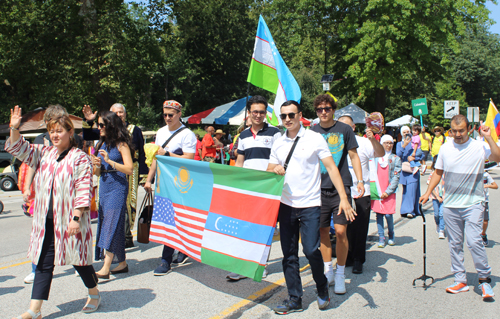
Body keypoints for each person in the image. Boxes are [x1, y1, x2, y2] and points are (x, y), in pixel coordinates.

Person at [6, 106, 100, 318]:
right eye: (52, 131)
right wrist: (14, 128)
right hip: (45, 221)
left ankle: (94, 293)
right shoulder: (43, 153)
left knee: (79, 261)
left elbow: (84, 190)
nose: (55, 135)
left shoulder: (79, 158)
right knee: (42, 263)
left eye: (59, 130)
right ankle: (35, 309)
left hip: (70, 220)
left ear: (69, 132)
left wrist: (76, 218)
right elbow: (18, 149)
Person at [267, 100, 355, 314]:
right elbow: (269, 167)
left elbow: (332, 168)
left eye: (291, 115)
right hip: (286, 204)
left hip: (310, 205)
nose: (287, 119)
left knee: (310, 249)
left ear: (300, 115)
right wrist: (275, 168)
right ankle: (295, 298)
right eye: (284, 116)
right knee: (289, 254)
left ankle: (322, 287)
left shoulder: (314, 138)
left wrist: (344, 197)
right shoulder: (278, 141)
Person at [420, 115, 500, 300]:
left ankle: (484, 280)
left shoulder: (479, 146)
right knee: (454, 243)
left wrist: (488, 137)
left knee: (474, 241)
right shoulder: (446, 148)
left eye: (461, 130)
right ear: (450, 130)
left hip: (473, 203)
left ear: (469, 129)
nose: (457, 134)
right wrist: (428, 192)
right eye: (454, 131)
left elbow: (497, 157)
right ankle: (460, 280)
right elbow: (438, 172)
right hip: (450, 204)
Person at [21, 104, 82, 285]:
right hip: (44, 193)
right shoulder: (40, 139)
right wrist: (27, 187)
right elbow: (32, 163)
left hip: (65, 195)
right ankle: (36, 269)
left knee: (70, 233)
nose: (54, 128)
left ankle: (79, 265)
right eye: (50, 122)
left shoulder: (73, 138)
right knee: (41, 234)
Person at [310, 94, 363, 292]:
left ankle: (340, 274)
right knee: (322, 231)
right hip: (318, 189)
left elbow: (353, 155)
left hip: (341, 188)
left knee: (340, 231)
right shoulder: (312, 132)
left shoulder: (344, 129)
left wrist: (360, 180)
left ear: (333, 110)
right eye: (319, 109)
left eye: (327, 108)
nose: (323, 112)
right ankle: (328, 270)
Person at [225, 95, 282, 281]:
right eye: (255, 111)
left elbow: (280, 160)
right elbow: (240, 162)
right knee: (245, 227)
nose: (258, 115)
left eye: (262, 112)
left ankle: (260, 266)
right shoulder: (243, 135)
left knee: (264, 228)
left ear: (266, 114)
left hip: (268, 187)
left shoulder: (275, 133)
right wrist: (235, 185)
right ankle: (244, 265)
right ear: (249, 113)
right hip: (247, 188)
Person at [82, 103, 148, 249]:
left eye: (121, 112)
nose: (119, 115)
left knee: (129, 203)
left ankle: (126, 234)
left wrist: (145, 176)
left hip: (129, 171)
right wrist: (89, 121)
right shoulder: (103, 132)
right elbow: (88, 135)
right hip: (107, 174)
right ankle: (118, 239)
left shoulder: (133, 129)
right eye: (115, 113)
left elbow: (141, 153)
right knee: (109, 207)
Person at [144, 100, 197, 276]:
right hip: (163, 182)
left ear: (179, 114)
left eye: (171, 115)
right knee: (167, 219)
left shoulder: (187, 134)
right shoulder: (160, 132)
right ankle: (178, 251)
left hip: (180, 184)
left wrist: (168, 154)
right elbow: (155, 158)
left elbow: (190, 158)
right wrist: (149, 180)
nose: (167, 118)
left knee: (176, 218)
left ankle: (166, 260)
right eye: (165, 114)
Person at [338, 115, 384, 273]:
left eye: (347, 127)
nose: (343, 130)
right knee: (344, 227)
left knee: (359, 226)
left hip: (360, 190)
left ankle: (358, 259)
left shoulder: (363, 142)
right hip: (342, 191)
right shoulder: (334, 143)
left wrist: (373, 140)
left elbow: (380, 153)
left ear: (353, 128)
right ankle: (347, 256)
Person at [91, 111, 134, 279]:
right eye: (98, 125)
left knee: (111, 223)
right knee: (109, 223)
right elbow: (97, 173)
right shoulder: (101, 144)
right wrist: (96, 165)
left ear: (111, 126)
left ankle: (105, 267)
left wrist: (110, 162)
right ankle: (121, 262)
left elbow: (129, 169)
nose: (98, 128)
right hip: (105, 185)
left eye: (102, 125)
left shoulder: (121, 144)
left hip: (118, 187)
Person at [369, 135, 401, 247]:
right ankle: (381, 237)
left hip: (389, 191)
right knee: (379, 215)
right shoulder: (375, 158)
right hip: (377, 190)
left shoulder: (396, 158)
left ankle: (391, 234)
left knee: (388, 214)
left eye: (390, 143)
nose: (388, 145)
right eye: (386, 143)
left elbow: (396, 177)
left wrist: (388, 191)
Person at [397, 125, 424, 218]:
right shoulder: (399, 144)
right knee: (406, 191)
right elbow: (398, 154)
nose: (406, 134)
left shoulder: (415, 142)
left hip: (413, 170)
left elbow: (421, 154)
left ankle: (411, 210)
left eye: (408, 131)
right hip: (405, 169)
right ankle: (405, 210)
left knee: (413, 190)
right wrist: (404, 145)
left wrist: (414, 157)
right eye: (404, 132)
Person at [427, 166, 446, 239]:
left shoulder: (446, 175)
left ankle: (441, 230)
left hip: (444, 198)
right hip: (435, 197)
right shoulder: (432, 174)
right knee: (436, 214)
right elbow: (430, 187)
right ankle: (437, 224)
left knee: (442, 214)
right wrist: (437, 197)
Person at [482, 171, 497, 246]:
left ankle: (483, 234)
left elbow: (495, 186)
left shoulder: (486, 175)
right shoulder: (472, 172)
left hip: (484, 200)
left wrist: (487, 186)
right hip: (474, 200)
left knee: (485, 220)